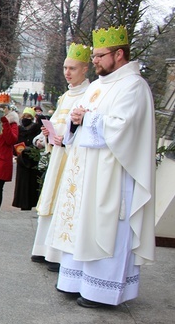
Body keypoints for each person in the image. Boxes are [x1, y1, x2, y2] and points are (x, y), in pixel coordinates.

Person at [48, 26, 155, 308]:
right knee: (81, 223)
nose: (93, 61)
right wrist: (75, 118)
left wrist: (90, 120)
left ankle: (103, 291)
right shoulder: (96, 86)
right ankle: (75, 281)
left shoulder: (134, 86)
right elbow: (76, 124)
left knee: (106, 226)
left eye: (99, 56)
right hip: (85, 171)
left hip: (114, 173)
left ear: (119, 54)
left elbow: (125, 128)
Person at [30, 43, 91, 272]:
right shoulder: (66, 95)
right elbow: (56, 122)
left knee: (65, 202)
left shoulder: (90, 93)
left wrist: (64, 137)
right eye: (65, 68)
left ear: (85, 69)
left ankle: (58, 254)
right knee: (50, 200)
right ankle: (44, 248)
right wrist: (47, 133)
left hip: (73, 159)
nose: (67, 72)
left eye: (72, 68)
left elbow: (83, 128)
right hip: (58, 156)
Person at [11, 107, 43, 211]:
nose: (26, 118)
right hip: (22, 161)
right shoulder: (19, 128)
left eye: (28, 117)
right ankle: (23, 204)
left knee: (31, 184)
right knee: (23, 185)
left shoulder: (36, 128)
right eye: (24, 116)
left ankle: (28, 204)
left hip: (32, 160)